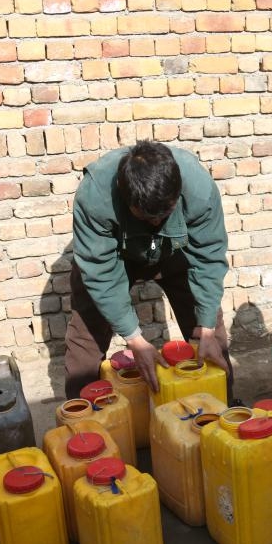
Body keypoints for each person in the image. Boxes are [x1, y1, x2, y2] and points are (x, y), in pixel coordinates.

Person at [64, 140, 232, 400]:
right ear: (124, 194)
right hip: (114, 255)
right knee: (86, 335)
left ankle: (224, 407)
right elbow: (100, 272)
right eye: (146, 216)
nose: (156, 221)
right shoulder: (95, 196)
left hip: (176, 250)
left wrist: (207, 327)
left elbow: (209, 258)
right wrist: (135, 339)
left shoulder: (199, 190)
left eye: (164, 214)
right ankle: (81, 419)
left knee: (210, 331)